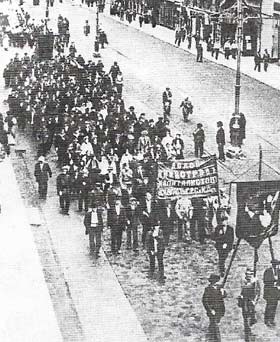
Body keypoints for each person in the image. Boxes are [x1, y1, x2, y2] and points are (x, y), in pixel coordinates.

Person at [238, 268, 261, 342]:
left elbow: (258, 292)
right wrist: (241, 296)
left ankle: (250, 330)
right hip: (244, 302)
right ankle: (247, 333)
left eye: (250, 274)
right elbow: (242, 291)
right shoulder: (243, 281)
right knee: (245, 317)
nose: (248, 276)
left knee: (251, 317)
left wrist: (255, 301)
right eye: (247, 274)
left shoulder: (255, 281)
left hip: (251, 302)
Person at [202, 274, 226, 342]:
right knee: (215, 325)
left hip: (220, 310)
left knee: (213, 325)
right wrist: (210, 310)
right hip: (213, 311)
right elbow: (205, 301)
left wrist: (223, 292)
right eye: (216, 280)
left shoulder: (219, 288)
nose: (217, 282)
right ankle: (218, 340)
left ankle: (209, 338)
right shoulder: (208, 289)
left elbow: (224, 295)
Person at [263, 259, 280, 327]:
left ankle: (271, 320)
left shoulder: (278, 271)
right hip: (269, 291)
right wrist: (274, 282)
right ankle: (267, 320)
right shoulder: (268, 271)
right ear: (272, 265)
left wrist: (278, 285)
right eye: (275, 265)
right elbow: (265, 281)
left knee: (274, 306)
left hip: (276, 292)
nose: (276, 266)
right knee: (269, 306)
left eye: (277, 265)